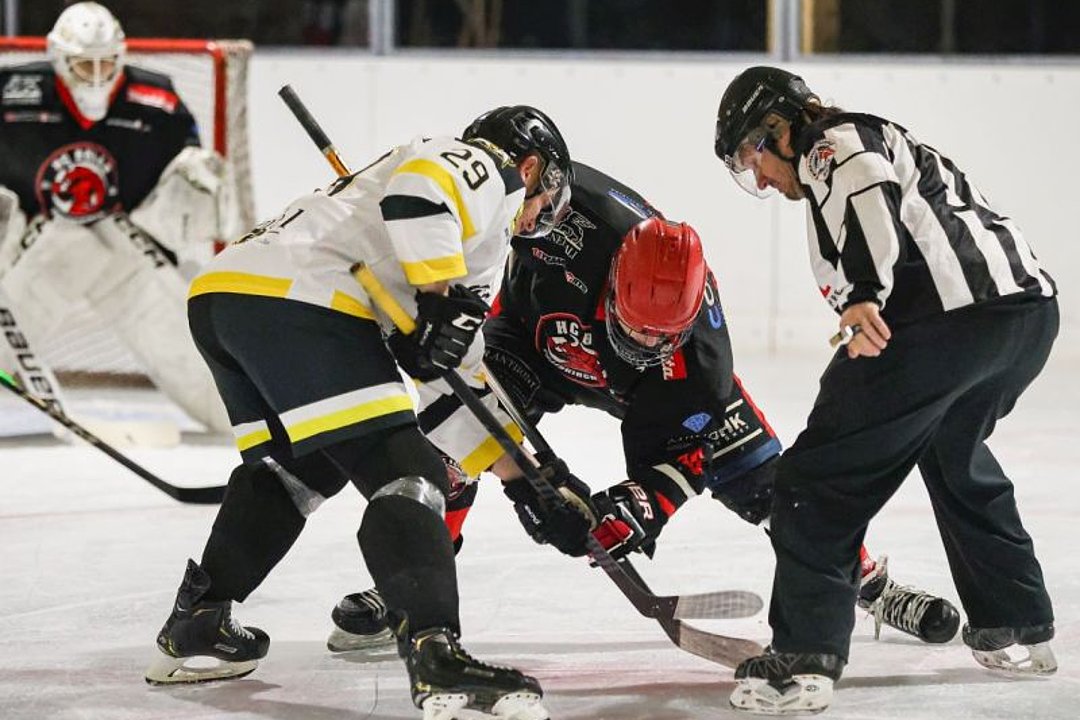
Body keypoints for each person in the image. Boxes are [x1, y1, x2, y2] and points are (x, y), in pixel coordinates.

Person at [327, 161, 959, 657]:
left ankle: (871, 585)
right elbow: (482, 201)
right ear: (612, 278)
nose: (642, 344)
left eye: (661, 336)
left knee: (776, 489)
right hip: (533, 342)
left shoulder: (698, 366)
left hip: (651, 391)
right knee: (451, 449)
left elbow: (684, 458)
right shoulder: (565, 217)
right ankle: (412, 588)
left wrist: (640, 507)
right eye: (634, 327)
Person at [144, 104, 572, 720]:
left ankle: (199, 619)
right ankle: (436, 653)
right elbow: (423, 187)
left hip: (228, 297)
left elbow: (454, 383)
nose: (537, 215)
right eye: (546, 196)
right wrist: (436, 300)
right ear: (531, 168)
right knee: (410, 475)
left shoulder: (444, 240)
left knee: (302, 468)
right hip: (300, 301)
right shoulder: (495, 172)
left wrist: (527, 481)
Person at [713, 66, 1058, 714]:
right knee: (951, 448)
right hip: (1025, 319)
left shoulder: (830, 142)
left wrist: (866, 292)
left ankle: (803, 660)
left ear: (779, 128)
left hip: (944, 322)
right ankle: (1016, 621)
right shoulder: (861, 144)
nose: (760, 178)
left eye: (753, 157)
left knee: (814, 479)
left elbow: (867, 193)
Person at [0, 1, 234, 433]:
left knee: (205, 379)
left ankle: (252, 424)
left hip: (125, 249)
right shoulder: (12, 91)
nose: (96, 75)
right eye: (83, 65)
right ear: (58, 59)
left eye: (106, 63)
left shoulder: (159, 101)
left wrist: (195, 183)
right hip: (39, 251)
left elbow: (193, 170)